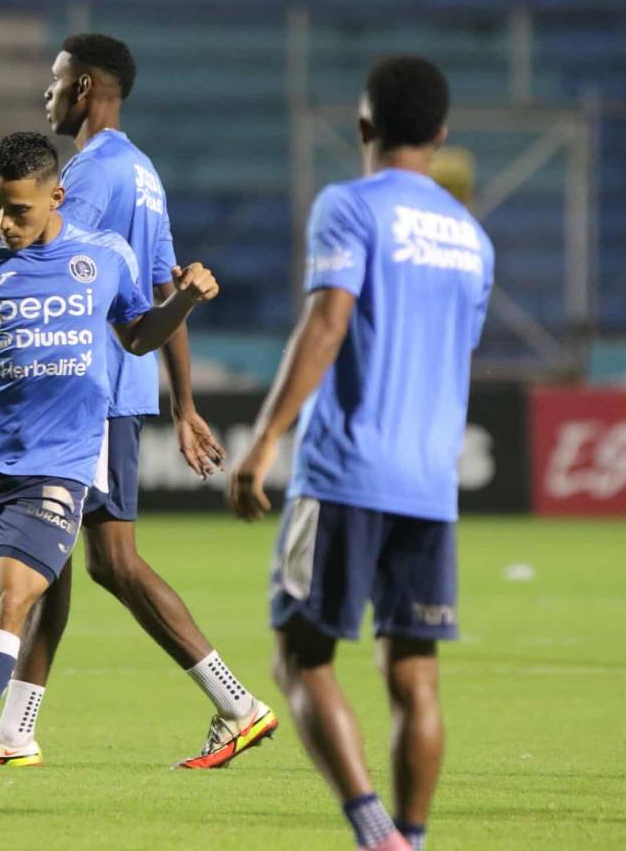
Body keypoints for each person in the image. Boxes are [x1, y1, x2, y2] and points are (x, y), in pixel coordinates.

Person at [0, 33, 276, 770]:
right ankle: (18, 726)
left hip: (87, 393)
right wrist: (182, 403)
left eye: (55, 82)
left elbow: (28, 253)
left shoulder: (85, 174)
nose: (46, 95)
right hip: (115, 384)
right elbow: (157, 282)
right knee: (54, 559)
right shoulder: (141, 170)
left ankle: (235, 703)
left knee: (109, 562)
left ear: (85, 87)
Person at [228, 56, 493, 851]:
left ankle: (375, 832)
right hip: (429, 482)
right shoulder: (473, 240)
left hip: (347, 471)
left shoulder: (349, 206)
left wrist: (266, 440)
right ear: (442, 134)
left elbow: (326, 323)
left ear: (364, 127)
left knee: (299, 657)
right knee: (414, 675)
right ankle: (411, 835)